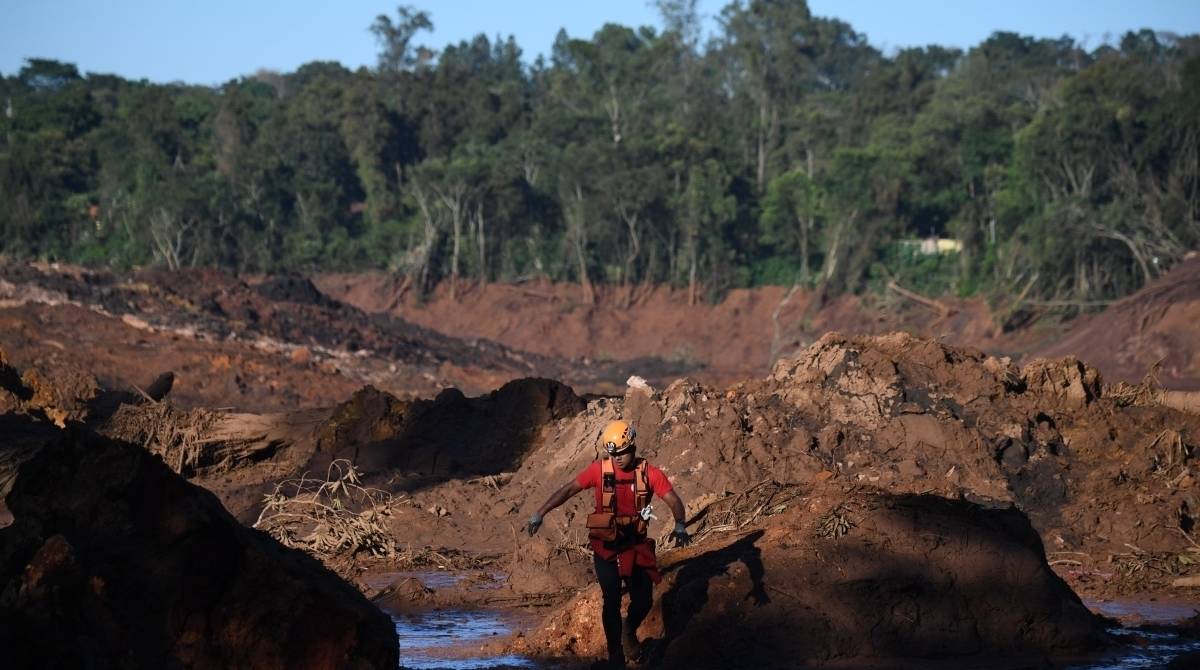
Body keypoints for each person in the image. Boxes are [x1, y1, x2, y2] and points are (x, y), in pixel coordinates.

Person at [527, 420, 690, 670]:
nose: (617, 459)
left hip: (635, 545)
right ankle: (616, 656)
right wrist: (540, 512)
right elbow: (568, 490)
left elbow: (673, 500)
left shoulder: (650, 474)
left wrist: (680, 524)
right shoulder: (598, 471)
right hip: (606, 547)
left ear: (633, 447)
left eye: (622, 453)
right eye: (613, 454)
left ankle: (628, 630)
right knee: (611, 599)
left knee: (644, 600)